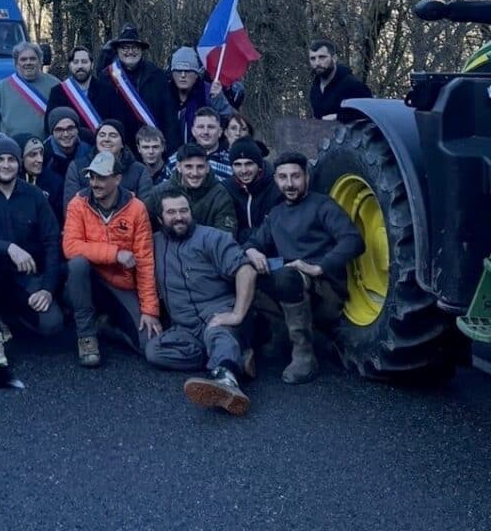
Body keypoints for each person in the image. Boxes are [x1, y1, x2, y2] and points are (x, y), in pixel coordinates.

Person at [244, 152, 365, 384]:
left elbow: (353, 240)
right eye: (283, 177)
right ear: (276, 180)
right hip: (291, 284)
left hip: (324, 289)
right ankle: (263, 339)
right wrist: (252, 251)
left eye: (295, 176)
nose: (289, 183)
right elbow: (254, 242)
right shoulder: (276, 214)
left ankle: (304, 355)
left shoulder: (323, 205)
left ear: (306, 176)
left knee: (287, 276)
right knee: (244, 273)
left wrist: (319, 267)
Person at [146, 189, 256, 416]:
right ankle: (235, 359)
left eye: (184, 210)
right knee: (154, 351)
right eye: (171, 212)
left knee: (217, 334)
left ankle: (228, 382)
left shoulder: (212, 237)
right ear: (160, 219)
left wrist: (237, 314)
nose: (179, 217)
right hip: (186, 328)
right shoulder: (152, 244)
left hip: (218, 315)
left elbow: (246, 270)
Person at [0, 135, 65, 366]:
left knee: (52, 324)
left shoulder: (34, 195)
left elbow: (51, 241)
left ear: (19, 163)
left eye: (11, 159)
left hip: (24, 278)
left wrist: (47, 289)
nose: (6, 165)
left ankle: (8, 315)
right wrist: (8, 248)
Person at [62, 152, 159, 367]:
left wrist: (150, 310)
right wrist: (115, 253)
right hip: (89, 278)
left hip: (121, 283)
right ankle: (87, 336)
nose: (95, 183)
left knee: (148, 343)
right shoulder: (78, 204)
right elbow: (70, 246)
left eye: (102, 177)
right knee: (77, 263)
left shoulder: (136, 208)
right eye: (92, 177)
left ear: (117, 178)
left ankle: (107, 327)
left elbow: (144, 260)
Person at [96, 24, 169, 151]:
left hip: (150, 147)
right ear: (117, 51)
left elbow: (168, 114)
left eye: (134, 47)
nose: (130, 52)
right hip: (119, 146)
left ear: (141, 50)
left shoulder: (157, 75)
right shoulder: (106, 77)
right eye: (125, 47)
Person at [147, 143, 237, 235]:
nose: (195, 173)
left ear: (207, 167)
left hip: (206, 247)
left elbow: (226, 236)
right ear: (178, 167)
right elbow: (146, 230)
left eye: (200, 167)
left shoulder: (220, 195)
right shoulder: (159, 193)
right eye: (188, 166)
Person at [158, 46, 234, 153]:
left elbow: (230, 120)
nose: (183, 75)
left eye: (188, 71)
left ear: (196, 74)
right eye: (179, 71)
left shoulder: (209, 93)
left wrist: (218, 100)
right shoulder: (163, 94)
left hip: (204, 157)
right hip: (171, 157)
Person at [0, 41, 61, 142]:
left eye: (32, 59)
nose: (28, 62)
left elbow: (64, 119)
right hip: (11, 153)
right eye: (23, 59)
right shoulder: (2, 88)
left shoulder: (55, 85)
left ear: (40, 61)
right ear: (16, 63)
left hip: (45, 151)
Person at [64, 119, 153, 203]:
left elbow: (146, 209)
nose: (106, 139)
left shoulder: (139, 170)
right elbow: (70, 208)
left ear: (122, 143)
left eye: (113, 135)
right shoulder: (77, 167)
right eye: (102, 135)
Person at [222, 138, 282, 243]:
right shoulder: (226, 189)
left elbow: (278, 227)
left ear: (259, 165)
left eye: (249, 164)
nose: (244, 170)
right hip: (239, 250)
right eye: (237, 164)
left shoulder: (276, 186)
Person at [45, 46, 110, 135]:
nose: (80, 66)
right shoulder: (58, 92)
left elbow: (114, 121)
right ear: (70, 65)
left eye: (84, 62)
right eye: (75, 62)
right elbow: (49, 125)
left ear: (92, 64)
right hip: (70, 144)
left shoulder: (107, 90)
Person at [308, 39, 373, 121]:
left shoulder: (353, 85)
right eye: (313, 59)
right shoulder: (315, 89)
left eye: (322, 57)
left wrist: (338, 117)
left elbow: (370, 115)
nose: (317, 63)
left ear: (334, 58)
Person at [165, 107, 232, 179]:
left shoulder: (232, 161)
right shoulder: (175, 160)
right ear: (193, 131)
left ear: (220, 132)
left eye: (211, 127)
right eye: (201, 127)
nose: (206, 132)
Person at [13, 132, 65, 223]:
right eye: (33, 155)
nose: (40, 160)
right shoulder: (8, 181)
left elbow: (58, 219)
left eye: (41, 153)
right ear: (20, 158)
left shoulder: (55, 181)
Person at [43, 108, 92, 187]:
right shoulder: (44, 155)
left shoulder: (89, 142)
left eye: (70, 128)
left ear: (77, 129)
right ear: (52, 133)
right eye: (59, 130)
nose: (65, 134)